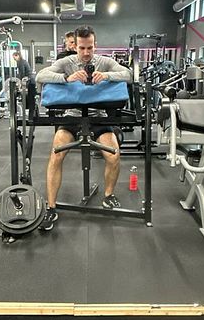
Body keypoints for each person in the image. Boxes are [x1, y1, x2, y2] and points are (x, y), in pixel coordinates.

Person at [36, 25, 132, 231]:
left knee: (114, 155)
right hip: (72, 115)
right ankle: (51, 207)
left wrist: (107, 76)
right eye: (82, 48)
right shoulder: (67, 62)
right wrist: (65, 78)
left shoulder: (105, 62)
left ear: (95, 45)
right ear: (75, 46)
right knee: (56, 154)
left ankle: (108, 195)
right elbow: (40, 76)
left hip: (98, 116)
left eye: (90, 48)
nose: (86, 53)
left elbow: (128, 74)